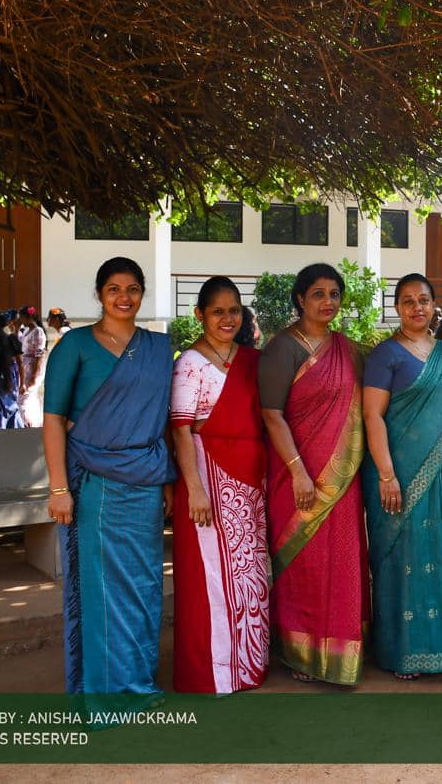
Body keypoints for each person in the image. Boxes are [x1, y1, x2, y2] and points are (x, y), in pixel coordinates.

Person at [43, 257, 175, 707]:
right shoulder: (75, 345)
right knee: (103, 589)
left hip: (145, 482)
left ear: (142, 294)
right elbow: (54, 419)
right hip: (94, 483)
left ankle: (138, 682)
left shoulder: (156, 348)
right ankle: (106, 692)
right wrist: (58, 488)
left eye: (133, 288)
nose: (124, 297)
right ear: (99, 294)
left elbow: (162, 420)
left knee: (142, 585)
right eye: (114, 289)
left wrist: (168, 481)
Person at [260, 264, 370, 685]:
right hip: (298, 476)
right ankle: (301, 653)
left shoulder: (348, 349)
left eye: (334, 294)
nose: (328, 302)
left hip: (343, 479)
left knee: (341, 560)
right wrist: (299, 473)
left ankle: (342, 647)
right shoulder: (282, 348)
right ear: (300, 299)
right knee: (304, 563)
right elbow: (272, 415)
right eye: (318, 294)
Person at [362, 273, 442, 679]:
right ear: (397, 308)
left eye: (423, 299)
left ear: (434, 305)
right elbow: (373, 415)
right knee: (399, 558)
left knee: (434, 553)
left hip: (438, 472)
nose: (417, 307)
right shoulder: (385, 355)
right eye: (407, 301)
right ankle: (400, 651)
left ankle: (438, 647)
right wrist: (387, 475)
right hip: (396, 473)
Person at [170, 276, 270, 694]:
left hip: (251, 479)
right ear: (200, 314)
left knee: (250, 571)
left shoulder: (251, 360)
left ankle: (249, 665)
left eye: (233, 311)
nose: (227, 319)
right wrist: (194, 488)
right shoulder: (190, 363)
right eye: (217, 312)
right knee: (210, 574)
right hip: (208, 476)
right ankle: (214, 672)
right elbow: (180, 429)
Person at [17, 305, 48, 427]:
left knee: (25, 394)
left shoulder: (38, 331)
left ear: (28, 317)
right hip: (26, 365)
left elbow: (39, 353)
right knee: (30, 396)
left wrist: (35, 374)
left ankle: (28, 422)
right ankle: (33, 422)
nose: (21, 320)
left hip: (33, 365)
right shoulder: (26, 330)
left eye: (22, 317)